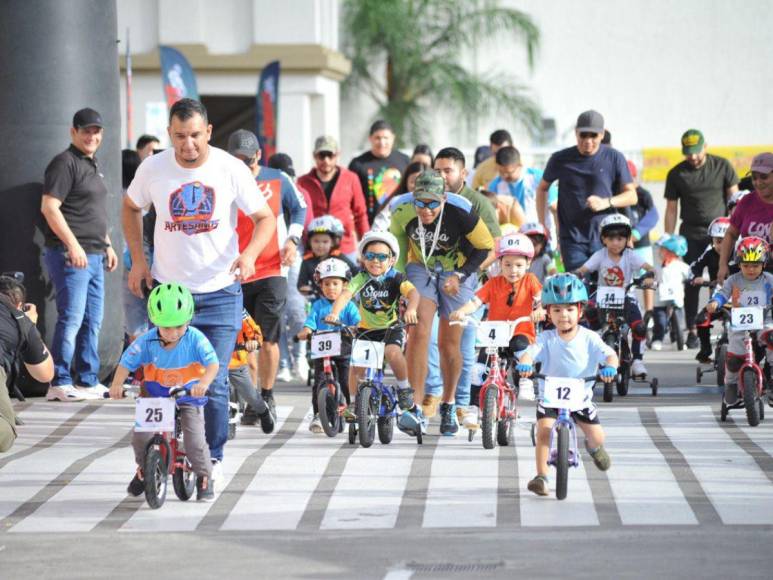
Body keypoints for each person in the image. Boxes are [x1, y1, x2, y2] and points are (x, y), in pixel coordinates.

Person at [123, 98, 275, 480]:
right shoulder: (153, 168)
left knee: (215, 377)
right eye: (179, 137)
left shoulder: (230, 168)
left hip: (220, 290)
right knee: (159, 377)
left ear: (208, 131)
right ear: (169, 135)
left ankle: (213, 456)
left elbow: (264, 218)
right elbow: (129, 207)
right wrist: (139, 261)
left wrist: (251, 255)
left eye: (195, 135)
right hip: (170, 293)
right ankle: (154, 456)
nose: (188, 145)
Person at [389, 170, 495, 435]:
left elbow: (485, 246)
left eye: (432, 203)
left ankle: (448, 402)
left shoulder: (461, 212)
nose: (425, 210)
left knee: (449, 341)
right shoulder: (401, 209)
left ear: (444, 199)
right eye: (420, 203)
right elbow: (399, 245)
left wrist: (461, 275)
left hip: (456, 270)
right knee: (419, 330)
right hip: (420, 266)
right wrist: (402, 284)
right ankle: (414, 407)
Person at [109, 283, 218, 502]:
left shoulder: (195, 339)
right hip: (155, 394)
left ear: (188, 320)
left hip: (187, 394)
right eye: (166, 327)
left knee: (194, 440)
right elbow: (127, 362)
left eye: (178, 326)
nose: (173, 332)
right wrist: (117, 384)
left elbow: (213, 363)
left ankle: (205, 477)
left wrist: (203, 383)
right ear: (155, 322)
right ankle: (144, 468)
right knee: (141, 437)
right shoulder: (147, 340)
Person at [228, 129, 307, 419]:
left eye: (248, 162)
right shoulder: (223, 179)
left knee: (269, 339)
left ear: (258, 156)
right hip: (236, 272)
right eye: (237, 161)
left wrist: (293, 240)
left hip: (272, 267)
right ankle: (251, 401)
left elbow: (299, 208)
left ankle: (268, 394)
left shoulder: (278, 178)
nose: (243, 168)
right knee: (246, 343)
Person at [41, 107, 119, 402]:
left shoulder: (92, 164)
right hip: (70, 254)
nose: (91, 136)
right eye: (85, 130)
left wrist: (108, 244)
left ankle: (87, 380)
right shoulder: (64, 163)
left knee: (92, 320)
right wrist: (73, 245)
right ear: (73, 132)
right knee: (72, 318)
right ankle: (59, 381)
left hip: (96, 254)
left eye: (96, 131)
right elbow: (50, 207)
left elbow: (95, 213)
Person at [517, 273, 617, 497]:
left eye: (570, 309)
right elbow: (529, 353)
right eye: (557, 310)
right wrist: (525, 364)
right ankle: (541, 476)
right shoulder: (546, 338)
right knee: (544, 431)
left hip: (580, 397)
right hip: (550, 396)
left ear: (580, 311)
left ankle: (593, 449)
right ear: (548, 313)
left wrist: (610, 368)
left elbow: (610, 355)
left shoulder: (590, 338)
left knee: (598, 436)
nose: (564, 316)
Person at [324, 232, 419, 432]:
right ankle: (352, 404)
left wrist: (411, 308)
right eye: (370, 256)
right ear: (363, 259)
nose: (376, 261)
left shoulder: (396, 277)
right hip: (366, 330)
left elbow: (413, 293)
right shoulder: (361, 277)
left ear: (391, 260)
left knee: (392, 353)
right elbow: (346, 294)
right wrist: (334, 312)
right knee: (356, 366)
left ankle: (403, 389)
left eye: (382, 257)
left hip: (391, 328)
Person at [664, 129, 739, 348]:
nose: (693, 157)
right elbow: (671, 209)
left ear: (705, 146)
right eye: (688, 153)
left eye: (696, 152)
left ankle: (729, 324)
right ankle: (692, 329)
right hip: (691, 234)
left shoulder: (722, 166)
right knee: (692, 282)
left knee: (724, 278)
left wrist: (737, 231)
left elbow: (735, 201)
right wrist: (670, 241)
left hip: (722, 235)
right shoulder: (676, 173)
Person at [449, 234, 544, 406]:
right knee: (480, 367)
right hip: (495, 335)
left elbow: (541, 300)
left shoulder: (530, 281)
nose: (513, 270)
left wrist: (540, 310)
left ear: (528, 264)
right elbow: (475, 302)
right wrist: (461, 311)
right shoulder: (494, 283)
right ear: (499, 263)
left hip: (520, 332)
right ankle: (474, 405)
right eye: (507, 264)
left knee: (520, 346)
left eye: (518, 265)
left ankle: (526, 380)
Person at [536, 110, 637, 272]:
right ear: (576, 133)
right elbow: (542, 189)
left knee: (607, 287)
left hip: (608, 238)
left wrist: (605, 202)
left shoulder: (614, 157)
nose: (588, 141)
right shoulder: (560, 159)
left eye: (593, 135)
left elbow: (632, 196)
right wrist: (543, 224)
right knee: (578, 290)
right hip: (572, 239)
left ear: (602, 135)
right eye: (583, 135)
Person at [575, 214, 654, 377]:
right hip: (602, 294)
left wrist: (649, 276)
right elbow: (584, 269)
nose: (615, 242)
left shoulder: (631, 256)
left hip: (626, 295)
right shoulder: (600, 255)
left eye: (620, 238)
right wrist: (576, 274)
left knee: (639, 326)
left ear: (627, 239)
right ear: (603, 239)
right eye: (611, 238)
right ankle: (596, 336)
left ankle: (637, 360)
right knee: (588, 309)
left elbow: (648, 267)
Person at [706, 236, 773, 407]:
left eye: (755, 265)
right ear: (739, 264)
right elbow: (722, 293)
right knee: (734, 358)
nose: (750, 270)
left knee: (771, 340)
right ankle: (731, 384)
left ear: (764, 264)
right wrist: (716, 302)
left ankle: (771, 376)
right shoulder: (733, 280)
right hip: (740, 324)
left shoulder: (768, 280)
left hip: (765, 321)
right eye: (746, 266)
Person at [297, 258, 360, 433]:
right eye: (326, 284)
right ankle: (319, 414)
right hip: (322, 350)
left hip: (344, 349)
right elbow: (310, 323)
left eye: (335, 283)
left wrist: (355, 329)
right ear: (320, 285)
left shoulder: (349, 306)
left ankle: (347, 407)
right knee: (319, 383)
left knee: (346, 380)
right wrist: (306, 331)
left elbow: (357, 322)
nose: (331, 288)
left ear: (345, 285)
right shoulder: (317, 306)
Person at [267, 152, 313, 383]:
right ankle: (283, 363)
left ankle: (301, 355)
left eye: (290, 176)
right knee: (277, 312)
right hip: (268, 255)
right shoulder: (265, 190)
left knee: (295, 308)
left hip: (295, 254)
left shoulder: (299, 193)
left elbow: (308, 224)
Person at [0, 274, 54, 453]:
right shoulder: (18, 318)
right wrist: (29, 324)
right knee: (5, 433)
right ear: (19, 304)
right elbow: (45, 374)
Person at [298, 135, 369, 260]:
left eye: (330, 155)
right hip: (315, 249)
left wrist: (368, 245)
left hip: (344, 247)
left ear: (337, 155)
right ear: (314, 156)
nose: (326, 160)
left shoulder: (351, 178)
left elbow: (360, 214)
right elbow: (299, 215)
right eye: (321, 155)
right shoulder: (303, 182)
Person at [718, 153, 773, 284]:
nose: (758, 183)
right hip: (749, 273)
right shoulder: (746, 202)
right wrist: (723, 265)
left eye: (764, 177)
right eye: (754, 178)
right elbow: (731, 234)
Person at [348, 120, 410, 225]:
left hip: (400, 222)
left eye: (386, 138)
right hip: (369, 224)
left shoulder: (405, 160)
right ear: (370, 139)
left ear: (393, 138)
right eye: (377, 138)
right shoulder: (358, 164)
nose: (382, 143)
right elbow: (350, 197)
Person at [690, 217, 729, 361]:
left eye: (726, 241)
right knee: (701, 319)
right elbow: (694, 267)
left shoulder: (738, 255)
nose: (722, 245)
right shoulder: (709, 254)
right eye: (718, 241)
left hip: (738, 300)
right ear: (712, 241)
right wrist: (696, 277)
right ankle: (705, 350)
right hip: (716, 301)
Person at [488, 145, 558, 226]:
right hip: (513, 235)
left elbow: (555, 207)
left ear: (520, 165)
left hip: (542, 232)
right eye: (500, 172)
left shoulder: (539, 178)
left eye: (509, 173)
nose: (504, 176)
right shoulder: (495, 185)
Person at [229, 308, 275, 433]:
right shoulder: (202, 306)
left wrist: (253, 340)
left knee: (250, 395)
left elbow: (252, 328)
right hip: (209, 364)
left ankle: (263, 412)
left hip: (235, 362)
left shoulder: (236, 308)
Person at [298, 215, 357, 298]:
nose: (320, 245)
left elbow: (357, 272)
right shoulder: (307, 261)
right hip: (318, 301)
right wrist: (308, 289)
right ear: (309, 242)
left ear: (332, 243)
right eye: (316, 241)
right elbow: (301, 284)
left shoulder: (339, 256)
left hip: (342, 300)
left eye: (325, 242)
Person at [650, 235, 690, 351]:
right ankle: (657, 339)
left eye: (662, 249)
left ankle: (676, 339)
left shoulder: (680, 266)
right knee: (660, 322)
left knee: (678, 320)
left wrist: (694, 279)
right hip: (660, 300)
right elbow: (649, 276)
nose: (659, 252)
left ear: (672, 252)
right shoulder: (656, 267)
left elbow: (691, 274)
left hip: (676, 299)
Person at [371, 161, 429, 232]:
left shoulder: (435, 205)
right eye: (413, 181)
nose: (417, 186)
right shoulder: (395, 203)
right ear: (406, 181)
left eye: (422, 182)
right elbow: (378, 228)